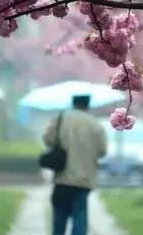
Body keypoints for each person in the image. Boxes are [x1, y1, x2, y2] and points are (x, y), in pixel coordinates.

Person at [43, 95, 107, 235]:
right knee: (80, 214)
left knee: (59, 214)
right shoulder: (95, 124)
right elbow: (102, 150)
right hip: (84, 178)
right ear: (88, 105)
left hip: (63, 176)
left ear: (73, 104)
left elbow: (48, 140)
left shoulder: (60, 119)